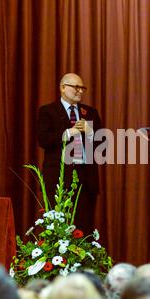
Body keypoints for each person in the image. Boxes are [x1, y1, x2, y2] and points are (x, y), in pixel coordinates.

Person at [37, 73, 102, 235]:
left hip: (85, 179)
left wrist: (90, 132)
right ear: (63, 88)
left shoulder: (90, 113)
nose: (80, 91)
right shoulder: (48, 111)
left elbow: (103, 145)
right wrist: (69, 132)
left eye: (82, 88)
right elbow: (43, 140)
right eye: (76, 87)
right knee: (58, 227)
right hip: (58, 178)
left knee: (84, 227)